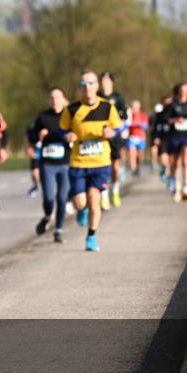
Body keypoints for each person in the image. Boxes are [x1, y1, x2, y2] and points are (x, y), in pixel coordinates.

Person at [60, 70, 122, 252]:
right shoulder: (71, 109)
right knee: (80, 202)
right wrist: (68, 135)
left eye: (91, 83)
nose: (87, 87)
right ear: (80, 88)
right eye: (83, 84)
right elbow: (62, 130)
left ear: (97, 86)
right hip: (79, 162)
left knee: (94, 200)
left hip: (100, 163)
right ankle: (81, 210)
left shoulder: (107, 107)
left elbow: (117, 127)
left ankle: (92, 236)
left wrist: (112, 132)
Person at [30, 87, 71, 243]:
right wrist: (39, 135)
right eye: (52, 98)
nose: (55, 101)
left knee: (62, 198)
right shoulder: (43, 117)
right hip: (47, 164)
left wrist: (71, 136)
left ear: (63, 99)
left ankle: (58, 230)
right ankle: (47, 216)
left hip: (65, 163)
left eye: (58, 97)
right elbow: (32, 137)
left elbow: (77, 133)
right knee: (48, 198)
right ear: (49, 100)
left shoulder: (69, 117)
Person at [99, 72, 128, 209]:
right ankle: (104, 196)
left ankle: (115, 191)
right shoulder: (96, 97)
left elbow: (124, 120)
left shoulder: (118, 98)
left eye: (107, 80)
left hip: (115, 138)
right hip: (99, 138)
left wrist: (116, 132)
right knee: (104, 168)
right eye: (102, 80)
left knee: (115, 168)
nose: (105, 82)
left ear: (112, 82)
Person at [165, 82, 187, 202]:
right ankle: (176, 187)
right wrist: (175, 120)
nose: (184, 92)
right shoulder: (172, 105)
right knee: (175, 164)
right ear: (178, 91)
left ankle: (186, 187)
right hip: (174, 136)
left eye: (186, 90)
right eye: (182, 90)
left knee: (186, 161)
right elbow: (166, 120)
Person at [126, 100, 149, 176]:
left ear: (139, 107)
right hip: (131, 137)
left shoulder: (142, 115)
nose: (134, 109)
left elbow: (145, 126)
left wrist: (139, 124)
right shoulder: (129, 115)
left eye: (136, 107)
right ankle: (133, 168)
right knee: (132, 153)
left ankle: (138, 166)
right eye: (133, 107)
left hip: (141, 138)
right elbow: (126, 124)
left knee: (140, 156)